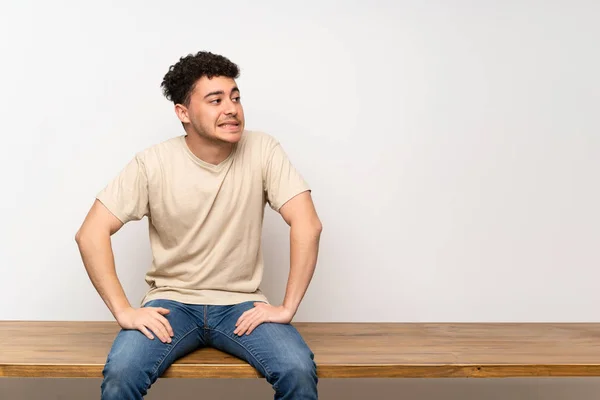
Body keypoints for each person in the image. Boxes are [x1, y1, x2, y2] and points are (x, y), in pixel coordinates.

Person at [75, 51, 323, 399]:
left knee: (297, 368)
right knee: (122, 372)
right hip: (170, 304)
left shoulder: (263, 149)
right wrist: (124, 311)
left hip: (241, 306)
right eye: (215, 100)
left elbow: (307, 224)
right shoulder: (153, 162)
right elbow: (90, 233)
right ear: (183, 112)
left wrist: (287, 307)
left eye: (235, 97)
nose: (231, 108)